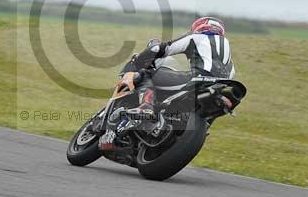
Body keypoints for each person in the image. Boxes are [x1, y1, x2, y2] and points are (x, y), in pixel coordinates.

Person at [99, 16, 236, 152]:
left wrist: (140, 60)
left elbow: (161, 49)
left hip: (198, 80)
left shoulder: (196, 37)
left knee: (149, 75)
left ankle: (146, 106)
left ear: (199, 27)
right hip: (218, 89)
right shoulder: (229, 61)